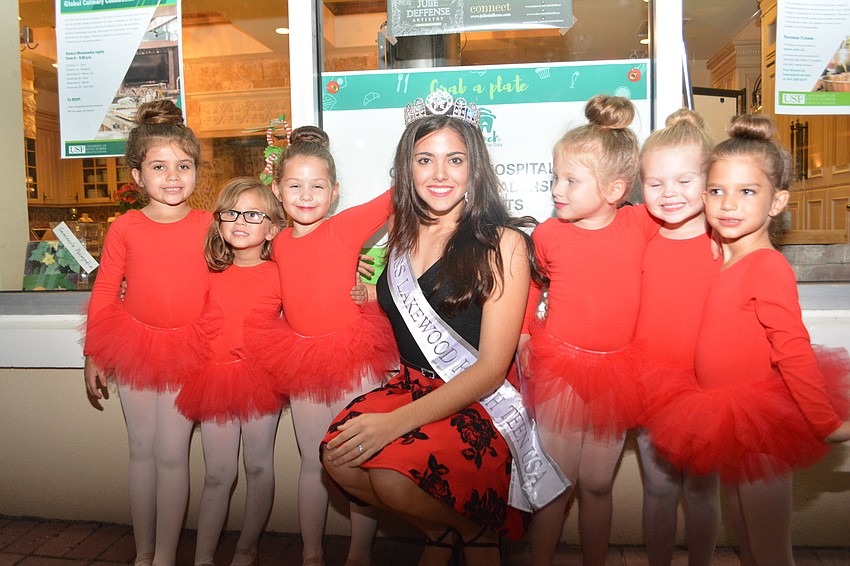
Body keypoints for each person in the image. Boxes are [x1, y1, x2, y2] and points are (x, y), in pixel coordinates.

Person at [321, 91, 543, 566]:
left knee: (394, 478)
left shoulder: (502, 243)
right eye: (425, 159)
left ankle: (475, 538)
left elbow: (488, 370)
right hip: (408, 387)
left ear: (474, 168)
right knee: (336, 457)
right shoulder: (398, 235)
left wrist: (394, 424)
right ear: (408, 168)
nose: (439, 174)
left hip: (477, 399)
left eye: (454, 159)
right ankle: (459, 533)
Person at [645, 114, 850, 565]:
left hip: (761, 426)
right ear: (703, 197)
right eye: (717, 191)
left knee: (769, 545)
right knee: (748, 538)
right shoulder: (725, 258)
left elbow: (793, 349)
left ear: (777, 202)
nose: (728, 204)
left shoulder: (767, 266)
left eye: (747, 191)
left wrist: (825, 422)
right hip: (730, 420)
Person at [246, 126, 397, 566]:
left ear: (334, 192)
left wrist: (422, 139)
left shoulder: (346, 228)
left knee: (358, 458)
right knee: (314, 460)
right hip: (302, 358)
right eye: (295, 185)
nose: (306, 195)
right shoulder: (275, 243)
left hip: (354, 356)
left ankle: (358, 555)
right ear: (277, 189)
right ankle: (311, 554)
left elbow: (395, 196)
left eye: (317, 186)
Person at [520, 95, 659, 566]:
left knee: (598, 484)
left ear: (615, 189)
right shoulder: (548, 234)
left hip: (616, 374)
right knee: (556, 483)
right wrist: (521, 333)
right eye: (554, 176)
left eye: (571, 181)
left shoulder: (642, 224)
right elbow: (531, 287)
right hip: (559, 365)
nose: (557, 188)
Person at [83, 99, 210, 566]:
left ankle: (164, 555)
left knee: (173, 452)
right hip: (133, 343)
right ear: (137, 176)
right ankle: (142, 554)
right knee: (141, 449)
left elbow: (254, 261)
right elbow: (104, 292)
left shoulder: (208, 225)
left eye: (183, 165)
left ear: (196, 171)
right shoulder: (124, 227)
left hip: (188, 350)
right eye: (159, 166)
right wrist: (94, 353)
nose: (173, 176)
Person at [175, 178, 286, 566]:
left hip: (260, 380)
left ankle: (246, 548)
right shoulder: (206, 271)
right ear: (219, 221)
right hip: (214, 378)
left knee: (258, 465)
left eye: (253, 214)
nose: (240, 221)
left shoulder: (281, 272)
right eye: (231, 213)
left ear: (272, 227)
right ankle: (203, 557)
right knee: (218, 473)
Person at [633, 109, 720, 565]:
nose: (669, 194)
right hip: (652, 389)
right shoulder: (641, 238)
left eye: (685, 181)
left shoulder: (727, 244)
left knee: (703, 491)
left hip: (707, 390)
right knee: (659, 489)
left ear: (710, 181)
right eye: (656, 183)